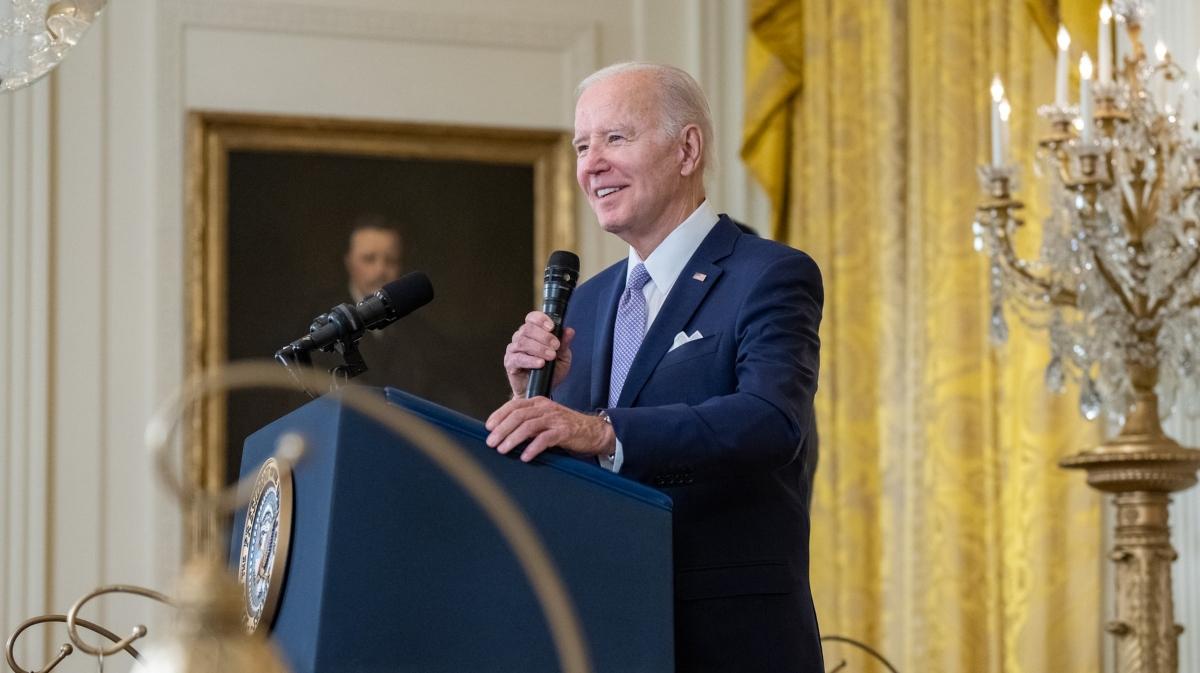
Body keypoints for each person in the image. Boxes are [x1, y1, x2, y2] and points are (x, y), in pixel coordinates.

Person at [484, 63, 824, 672]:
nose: (592, 165)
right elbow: (583, 476)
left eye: (616, 139)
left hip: (729, 641)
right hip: (605, 632)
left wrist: (603, 430)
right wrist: (533, 404)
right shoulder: (588, 300)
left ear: (686, 148)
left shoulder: (767, 274)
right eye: (582, 147)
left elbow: (772, 420)